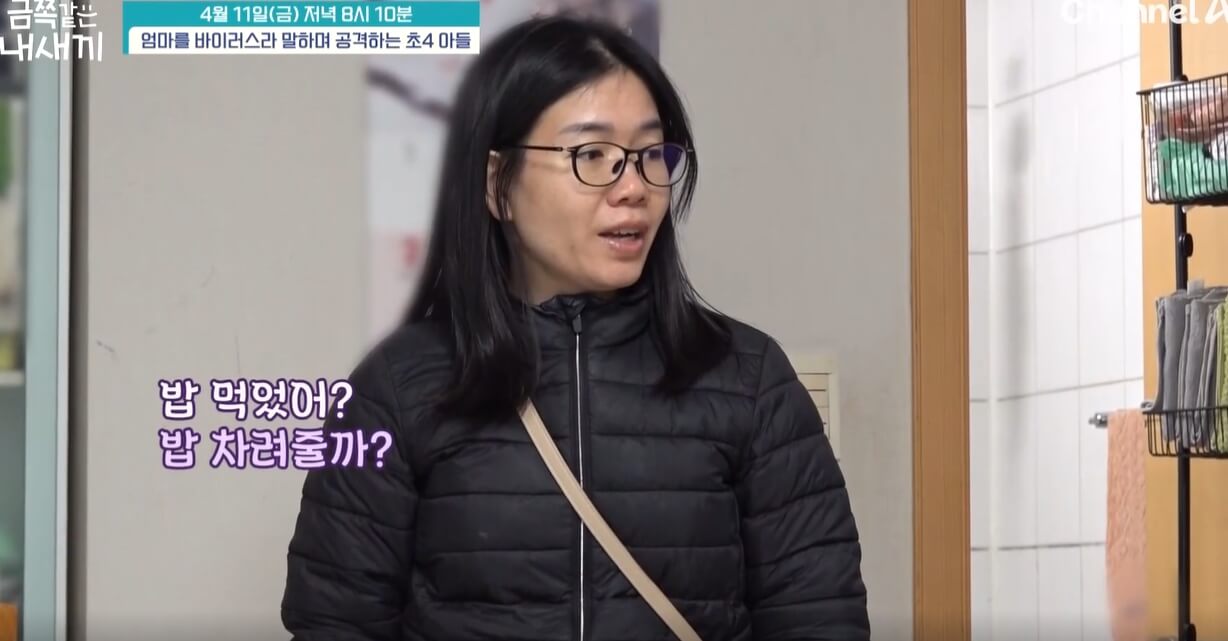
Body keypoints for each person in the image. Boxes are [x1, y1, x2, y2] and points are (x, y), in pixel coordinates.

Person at [281, 14, 869, 641]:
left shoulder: (750, 382)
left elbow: (819, 619)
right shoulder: (395, 390)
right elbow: (335, 625)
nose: (633, 188)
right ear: (497, 185)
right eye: (592, 155)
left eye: (650, 154)